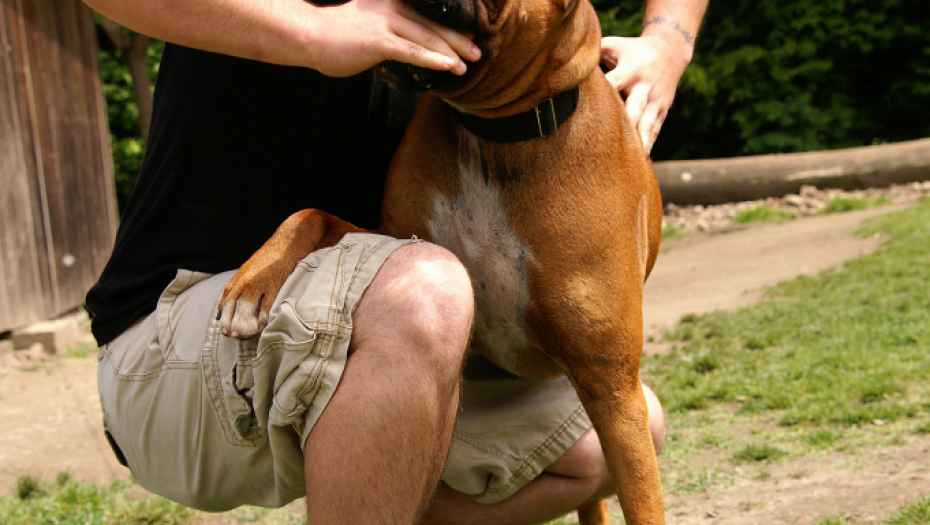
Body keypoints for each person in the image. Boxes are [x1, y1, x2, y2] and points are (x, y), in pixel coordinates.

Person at [83, 0, 706, 522]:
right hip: (178, 333)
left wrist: (670, 40)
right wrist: (313, 30)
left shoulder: (488, 111)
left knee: (617, 437)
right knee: (423, 287)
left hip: (376, 343)